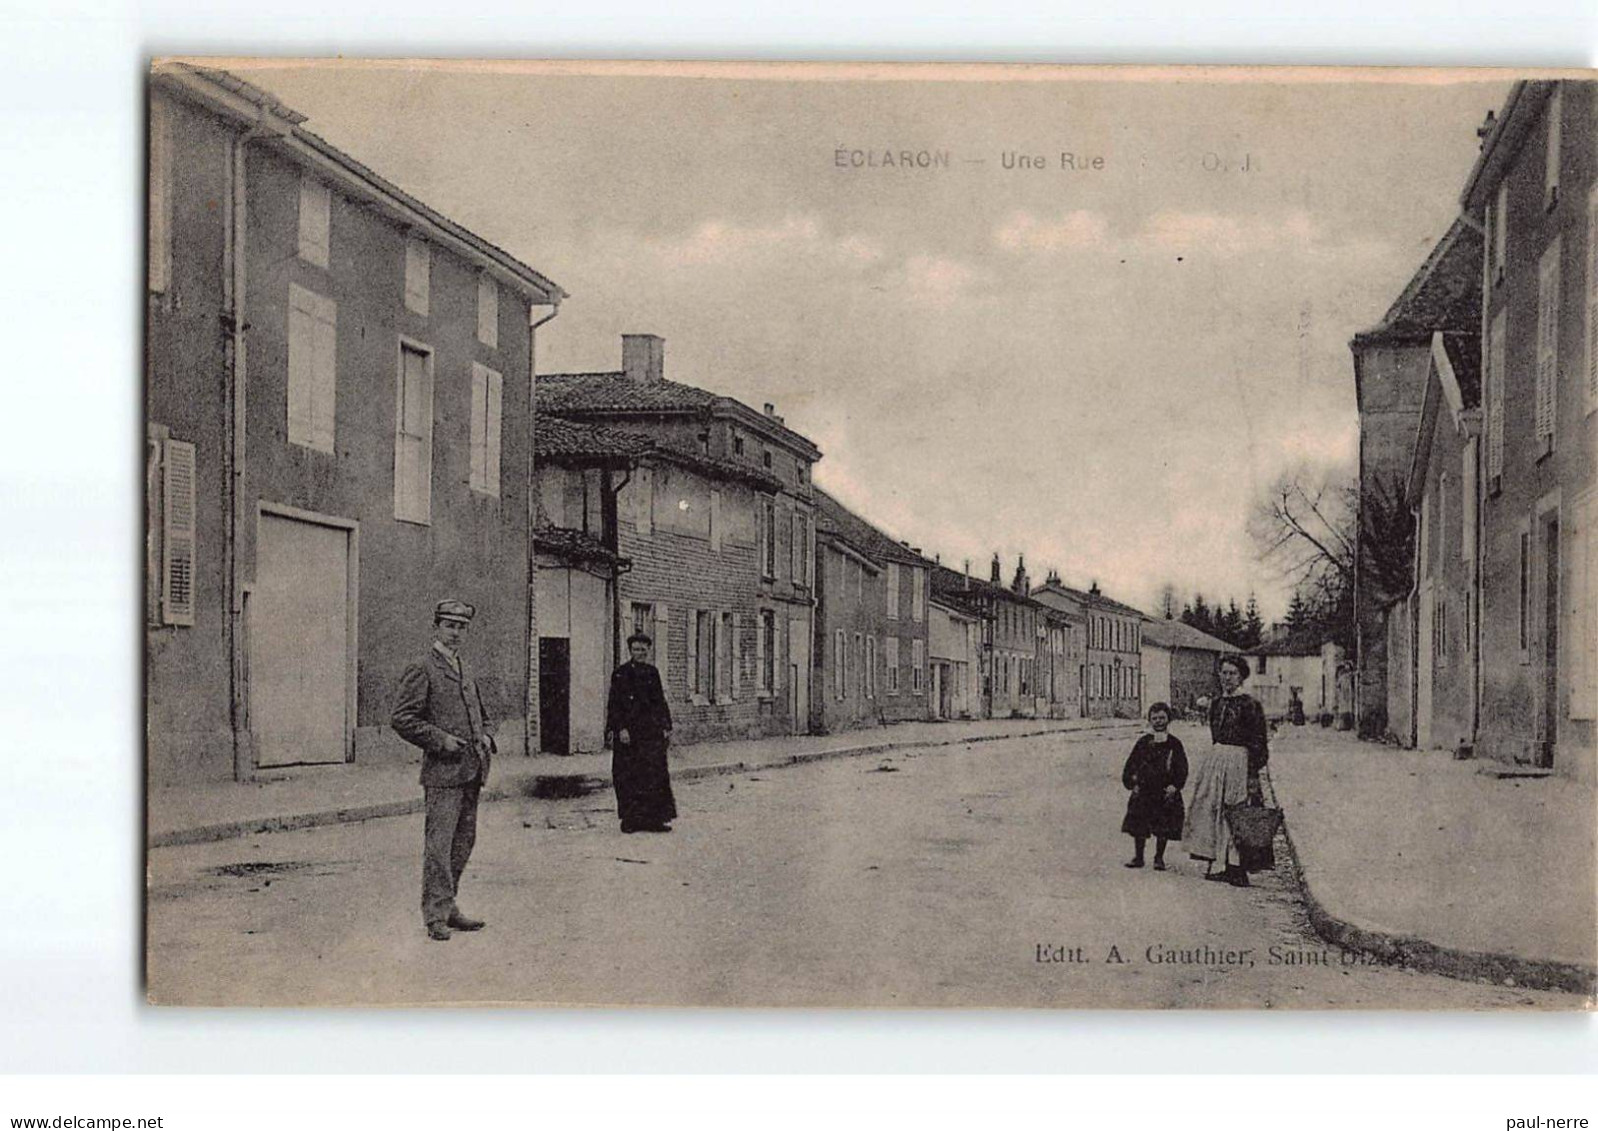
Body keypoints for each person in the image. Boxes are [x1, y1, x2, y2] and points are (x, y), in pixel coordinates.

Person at [391, 599, 495, 942]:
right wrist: (439, 740)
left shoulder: (465, 666)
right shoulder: (423, 667)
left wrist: (486, 734)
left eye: (462, 627)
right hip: (443, 772)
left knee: (463, 843)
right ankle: (434, 915)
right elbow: (402, 718)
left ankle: (448, 906)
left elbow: (479, 710)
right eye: (450, 625)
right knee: (439, 845)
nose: (456, 632)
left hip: (472, 769)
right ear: (437, 627)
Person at [1183, 654, 1270, 887]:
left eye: (1232, 673)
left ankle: (1238, 868)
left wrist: (1252, 771)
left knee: (1237, 811)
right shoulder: (1218, 704)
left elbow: (1259, 741)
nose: (1227, 677)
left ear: (1241, 676)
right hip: (1218, 759)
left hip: (1240, 761)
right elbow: (1215, 733)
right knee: (1215, 809)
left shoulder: (1250, 705)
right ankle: (1221, 863)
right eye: (1224, 672)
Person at [605, 632, 676, 833]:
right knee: (628, 776)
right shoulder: (620, 673)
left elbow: (660, 702)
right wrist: (620, 728)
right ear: (630, 651)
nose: (640, 653)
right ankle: (630, 820)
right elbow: (614, 704)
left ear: (648, 651)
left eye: (644, 650)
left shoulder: (653, 673)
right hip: (629, 735)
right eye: (636, 649)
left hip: (650, 734)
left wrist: (665, 726)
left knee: (653, 776)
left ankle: (654, 820)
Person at [1120, 702, 1188, 871]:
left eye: (1162, 718)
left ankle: (1159, 857)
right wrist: (1132, 783)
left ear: (1168, 720)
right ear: (1150, 720)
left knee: (1163, 825)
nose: (1158, 721)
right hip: (1144, 790)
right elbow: (1131, 765)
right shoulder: (1143, 742)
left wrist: (1175, 785)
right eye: (1155, 718)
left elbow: (1182, 768)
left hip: (1165, 791)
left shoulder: (1174, 744)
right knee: (1139, 824)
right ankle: (1138, 856)